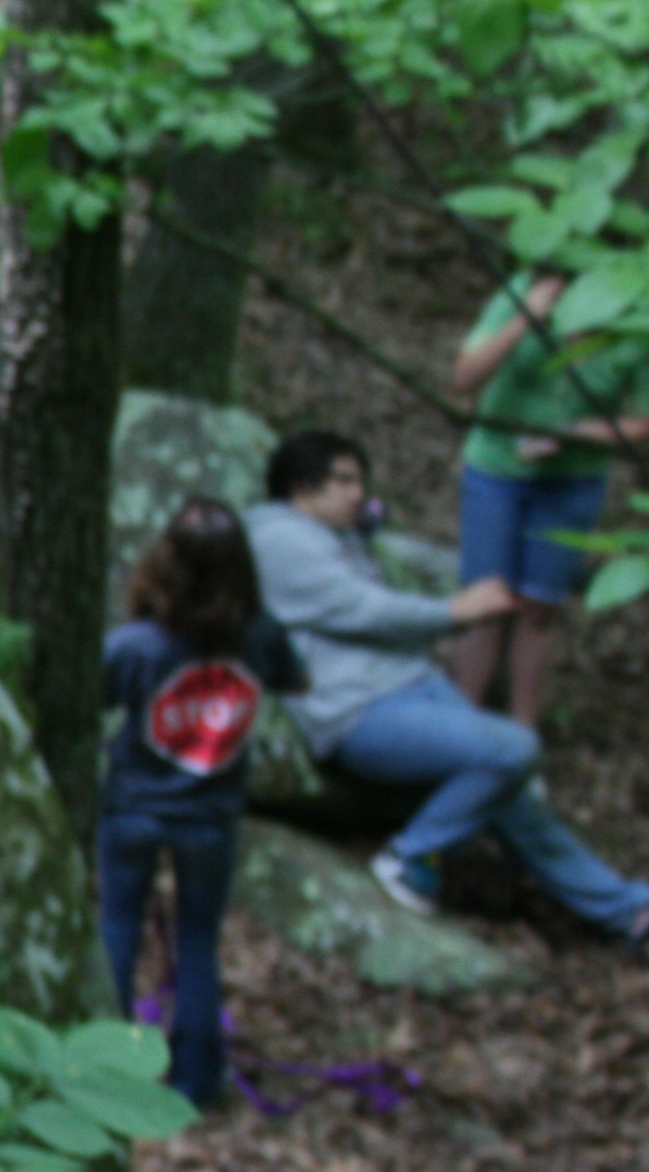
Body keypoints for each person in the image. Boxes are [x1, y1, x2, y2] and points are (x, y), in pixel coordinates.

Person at [248, 430, 649, 946]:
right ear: (300, 486)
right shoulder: (280, 538)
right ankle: (409, 857)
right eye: (343, 481)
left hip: (408, 688)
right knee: (515, 747)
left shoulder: (331, 533)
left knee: (517, 793)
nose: (356, 494)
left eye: (359, 482)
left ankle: (626, 912)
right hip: (359, 712)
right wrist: (455, 612)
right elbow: (363, 611)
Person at [98, 500, 304, 1111]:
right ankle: (193, 1080)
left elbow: (96, 690)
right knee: (198, 943)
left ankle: (102, 1073)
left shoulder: (135, 645)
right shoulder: (262, 637)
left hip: (132, 805)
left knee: (116, 930)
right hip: (211, 816)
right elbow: (297, 679)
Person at [446, 269, 648, 731]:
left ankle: (522, 728)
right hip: (495, 467)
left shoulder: (635, 323)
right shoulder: (526, 289)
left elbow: (643, 420)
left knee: (539, 606)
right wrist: (525, 317)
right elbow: (462, 378)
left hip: (573, 478)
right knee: (486, 601)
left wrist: (576, 435)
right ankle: (461, 722)